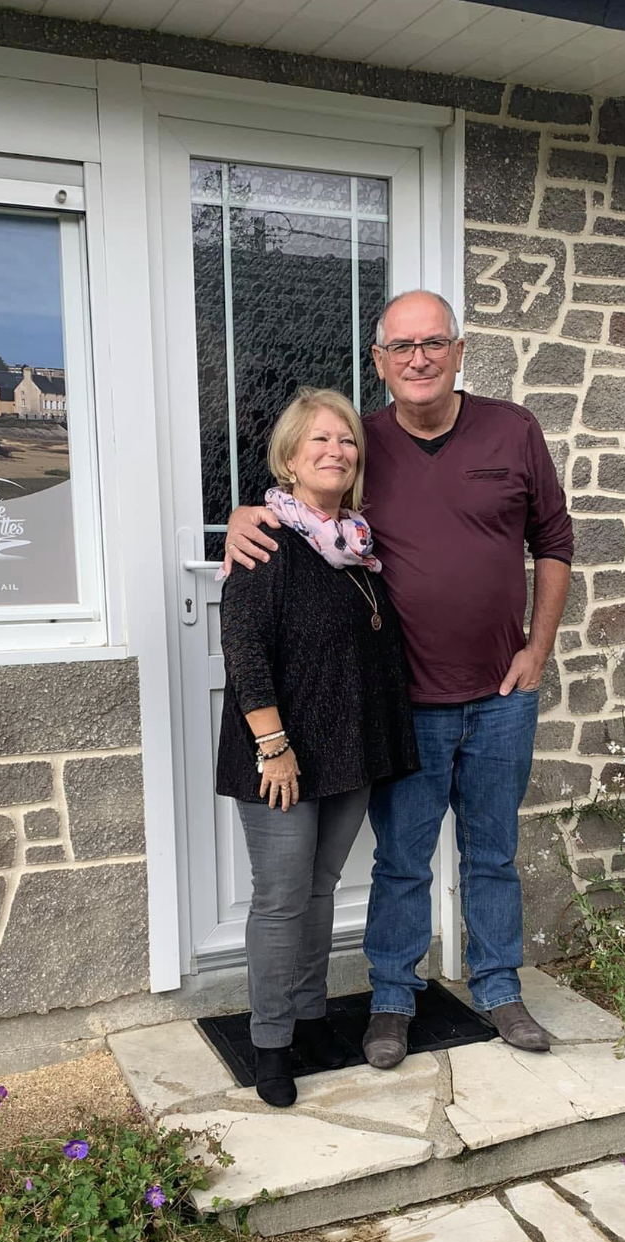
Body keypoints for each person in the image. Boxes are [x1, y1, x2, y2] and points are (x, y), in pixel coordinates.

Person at [225, 290, 574, 1071]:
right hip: (406, 704)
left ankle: (499, 987)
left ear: (458, 351)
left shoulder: (514, 429)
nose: (420, 359)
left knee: (493, 852)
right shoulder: (361, 443)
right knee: (402, 861)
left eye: (434, 343)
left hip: (502, 696)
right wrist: (241, 518)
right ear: (380, 362)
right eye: (402, 347)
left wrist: (538, 649)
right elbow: (300, 495)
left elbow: (554, 539)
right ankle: (392, 996)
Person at [216, 387, 418, 1108]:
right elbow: (245, 651)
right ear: (290, 458)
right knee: (280, 899)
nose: (337, 451)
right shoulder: (266, 539)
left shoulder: (356, 546)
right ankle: (270, 1042)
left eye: (347, 440)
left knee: (320, 888)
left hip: (346, 751)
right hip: (280, 755)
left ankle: (308, 1015)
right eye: (320, 440)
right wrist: (274, 747)